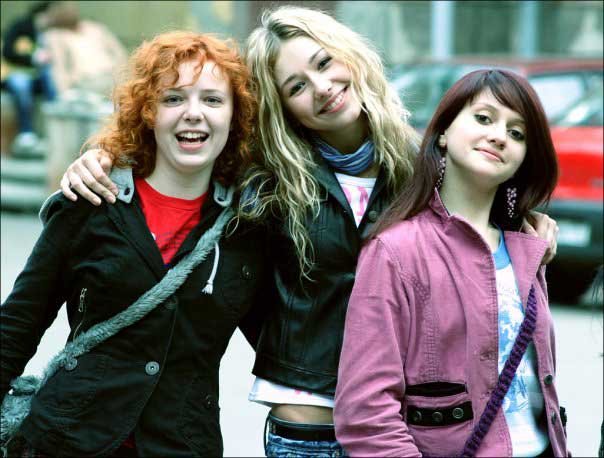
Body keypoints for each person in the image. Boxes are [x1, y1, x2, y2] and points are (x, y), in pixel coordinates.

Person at [56, 7, 559, 457]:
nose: (320, 87)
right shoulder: (268, 177)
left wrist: (526, 222)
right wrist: (103, 157)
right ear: (283, 106)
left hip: (399, 426)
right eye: (296, 86)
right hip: (308, 429)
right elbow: (181, 155)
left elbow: (477, 212)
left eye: (323, 63)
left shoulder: (417, 166)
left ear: (350, 56)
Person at [0, 30, 267, 457]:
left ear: (235, 115)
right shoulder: (91, 203)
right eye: (173, 98)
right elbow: (16, 325)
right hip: (68, 441)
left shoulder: (248, 227)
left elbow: (282, 339)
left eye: (212, 100)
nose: (193, 114)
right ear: (148, 111)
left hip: (181, 446)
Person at [334, 69, 568, 457]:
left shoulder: (527, 249)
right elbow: (365, 412)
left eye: (517, 133)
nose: (499, 136)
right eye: (484, 118)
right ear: (444, 132)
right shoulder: (394, 252)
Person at [2, 1, 59, 153]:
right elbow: (7, 52)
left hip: (37, 77)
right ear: (41, 15)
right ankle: (26, 132)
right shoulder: (21, 27)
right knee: (22, 86)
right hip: (16, 73)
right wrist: (33, 58)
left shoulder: (49, 33)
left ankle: (53, 120)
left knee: (50, 77)